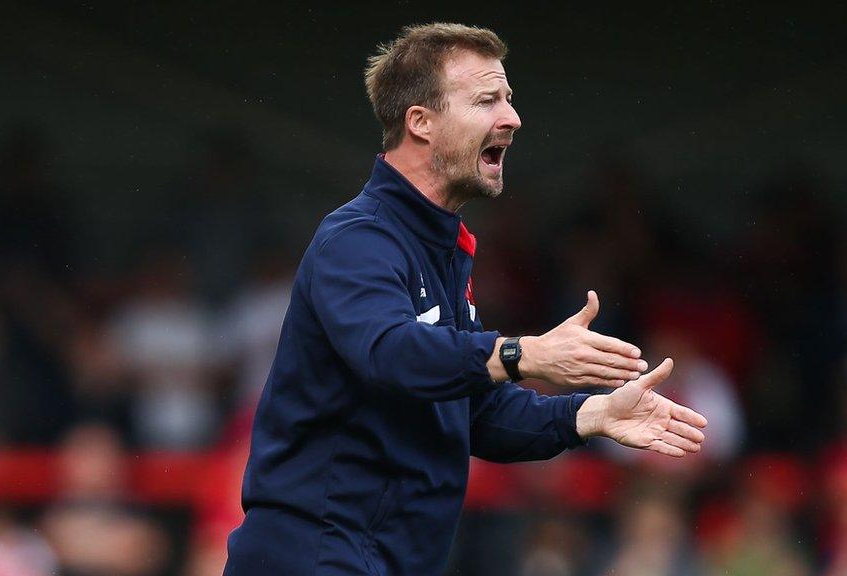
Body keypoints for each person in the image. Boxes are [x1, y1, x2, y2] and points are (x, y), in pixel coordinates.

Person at [223, 23, 708, 576]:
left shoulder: (445, 248)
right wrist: (520, 354)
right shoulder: (358, 238)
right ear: (420, 123)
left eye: (509, 99)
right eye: (487, 100)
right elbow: (390, 355)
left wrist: (591, 414)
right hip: (315, 558)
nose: (512, 118)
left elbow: (472, 414)